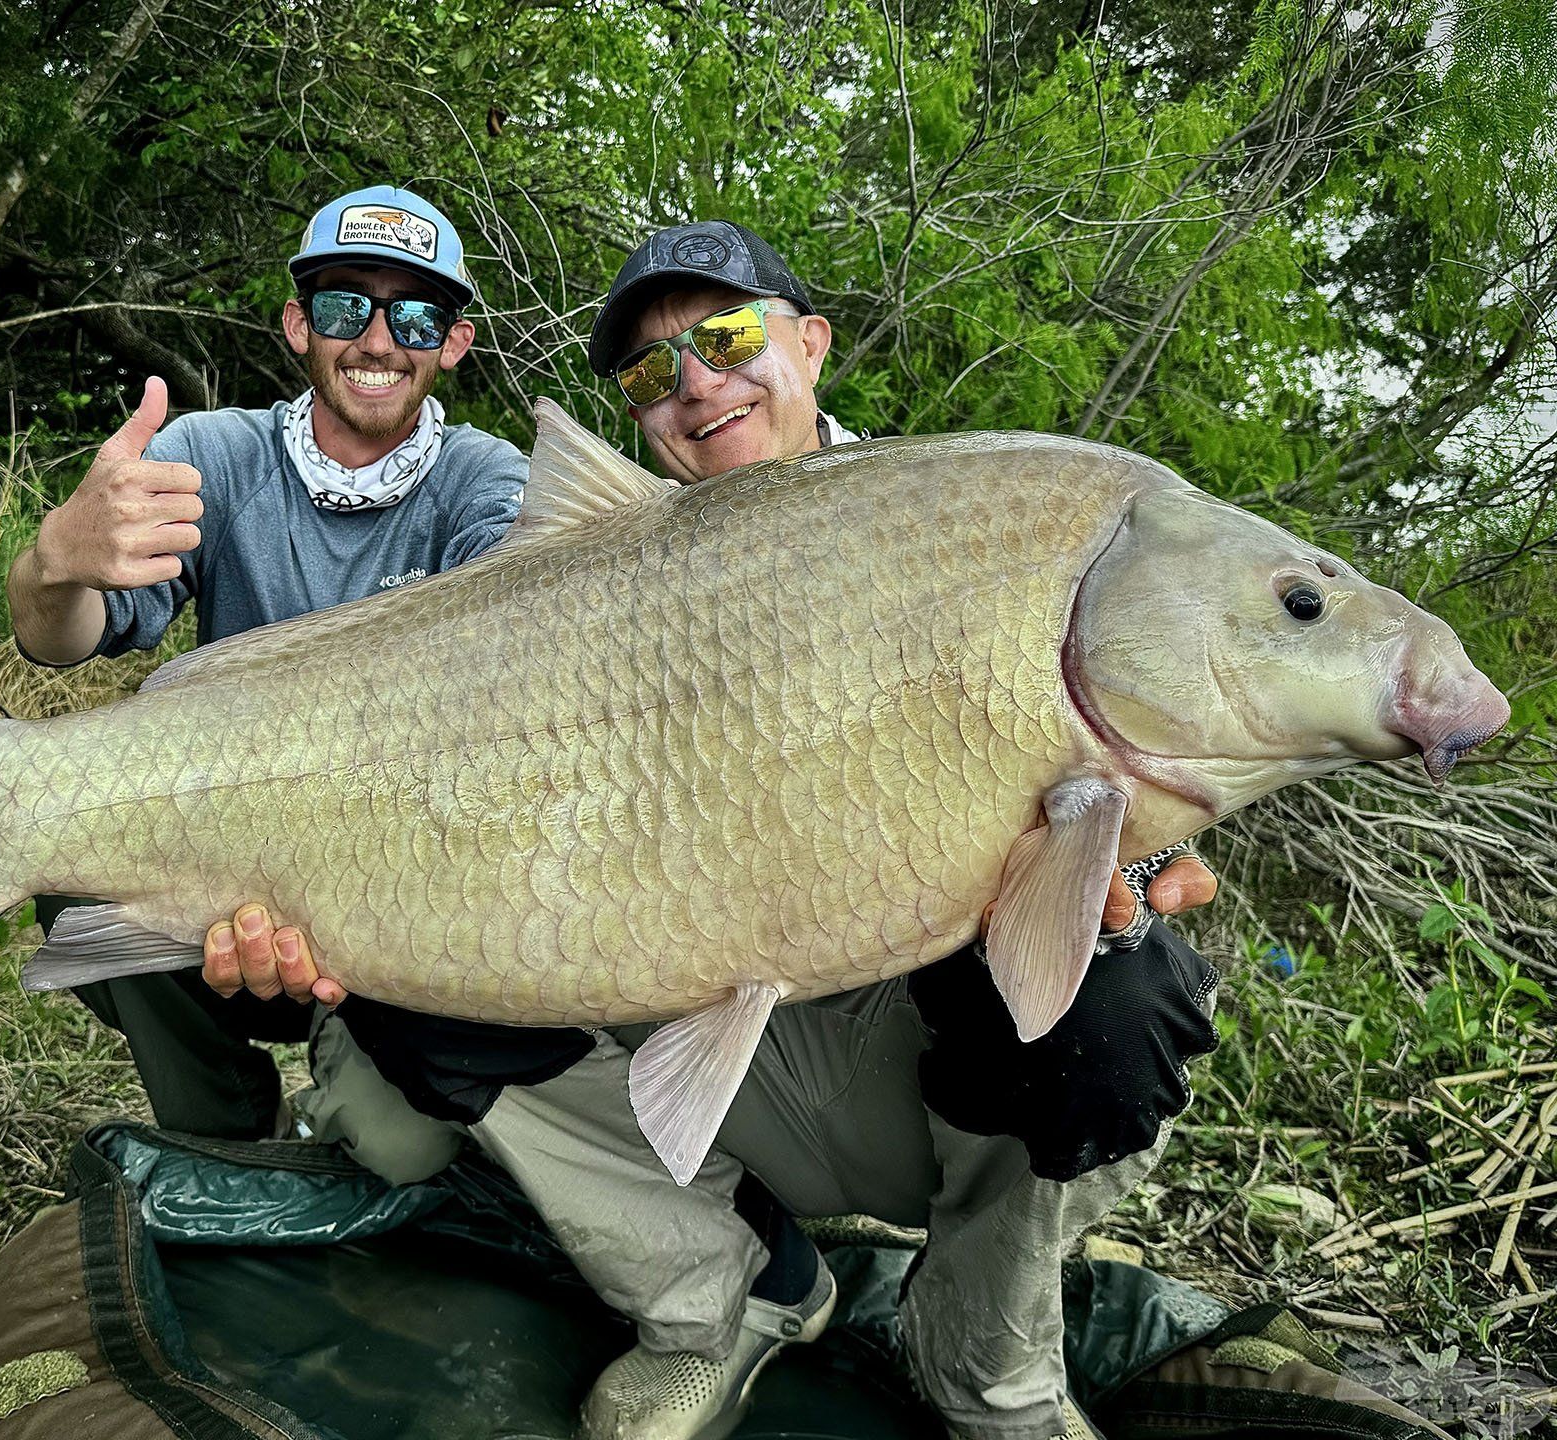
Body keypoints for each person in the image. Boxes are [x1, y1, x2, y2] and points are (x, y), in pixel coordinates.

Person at [207, 221, 1231, 1440]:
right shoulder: (598, 568)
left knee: (1121, 992)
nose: (694, 383)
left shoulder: (958, 525)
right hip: (680, 1039)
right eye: (650, 372)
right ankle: (718, 1297)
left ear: (811, 344)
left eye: (728, 337)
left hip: (896, 1070)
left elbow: (1087, 766)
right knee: (401, 965)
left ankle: (988, 1368)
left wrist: (1127, 846)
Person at [5, 183, 527, 1143]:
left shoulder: (485, 480)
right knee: (71, 857)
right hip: (233, 876)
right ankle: (229, 1139)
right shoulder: (217, 455)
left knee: (400, 1152)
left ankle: (392, 1100)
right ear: (298, 324)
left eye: (415, 314)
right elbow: (56, 643)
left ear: (452, 343)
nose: (378, 341)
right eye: (344, 307)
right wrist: (53, 562)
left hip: (414, 882)